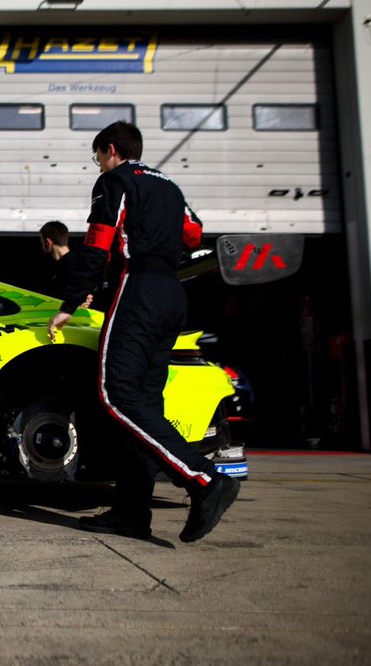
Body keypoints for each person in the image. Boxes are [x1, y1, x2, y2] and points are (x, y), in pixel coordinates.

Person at [47, 121, 239, 543]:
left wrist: (70, 302)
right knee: (143, 406)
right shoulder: (169, 185)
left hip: (137, 291)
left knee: (116, 395)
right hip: (172, 295)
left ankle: (203, 479)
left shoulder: (114, 181)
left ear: (111, 150)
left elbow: (98, 243)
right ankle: (132, 513)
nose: (97, 165)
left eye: (97, 156)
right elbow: (193, 232)